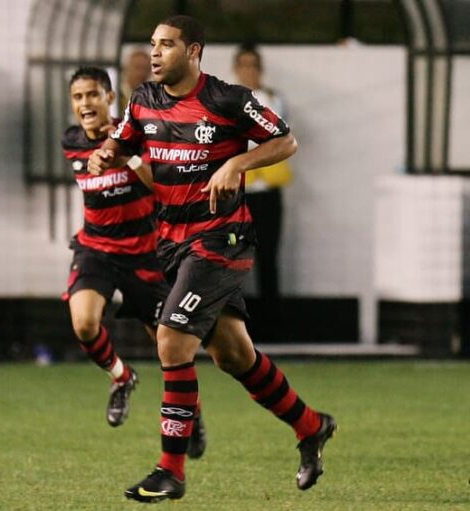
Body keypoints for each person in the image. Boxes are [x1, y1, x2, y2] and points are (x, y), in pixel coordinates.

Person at [88, 16, 336, 502]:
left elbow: (286, 140)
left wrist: (236, 162)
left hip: (221, 239)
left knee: (173, 342)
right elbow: (122, 142)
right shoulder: (143, 100)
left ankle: (171, 470)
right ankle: (311, 426)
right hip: (173, 244)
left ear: (194, 51)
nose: (155, 53)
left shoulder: (228, 99)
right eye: (152, 45)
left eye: (166, 45)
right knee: (233, 355)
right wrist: (108, 155)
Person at [61, 66, 205, 458]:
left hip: (145, 254)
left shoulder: (138, 136)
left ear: (110, 97)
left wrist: (123, 157)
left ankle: (192, 413)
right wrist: (98, 159)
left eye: (93, 95)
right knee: (85, 323)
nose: (85, 104)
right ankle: (122, 378)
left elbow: (162, 187)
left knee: (169, 346)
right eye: (78, 97)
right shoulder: (72, 142)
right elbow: (89, 167)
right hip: (97, 251)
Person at [233, 43, 292, 303]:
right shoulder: (227, 99)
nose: (249, 71)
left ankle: (272, 323)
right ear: (235, 69)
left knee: (268, 257)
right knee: (233, 258)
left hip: (268, 191)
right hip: (237, 193)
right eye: (243, 65)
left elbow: (278, 133)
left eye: (253, 66)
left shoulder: (273, 99)